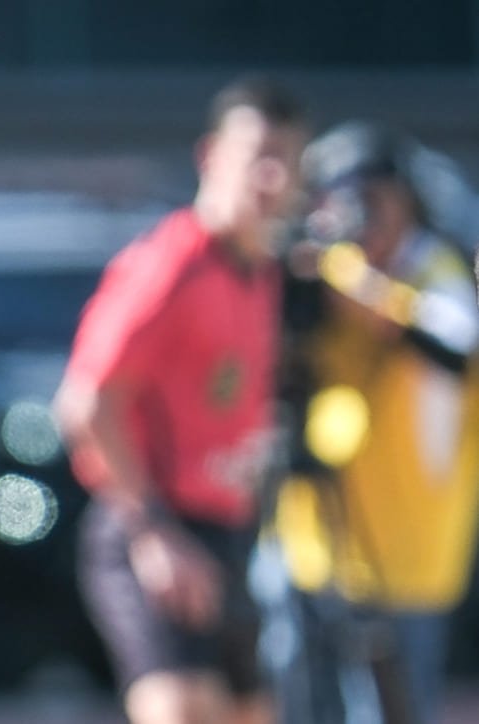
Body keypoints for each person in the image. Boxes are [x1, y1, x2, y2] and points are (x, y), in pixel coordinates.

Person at [53, 75, 308, 724]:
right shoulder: (171, 265)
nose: (273, 177)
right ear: (210, 156)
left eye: (287, 160)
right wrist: (152, 533)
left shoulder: (265, 273)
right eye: (259, 157)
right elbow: (85, 404)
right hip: (157, 529)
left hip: (231, 536)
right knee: (183, 711)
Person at [260, 120, 479, 724]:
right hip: (314, 541)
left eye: (373, 199)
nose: (361, 218)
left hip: (402, 555)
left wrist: (361, 294)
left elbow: (452, 347)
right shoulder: (326, 273)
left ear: (408, 198)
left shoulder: (435, 272)